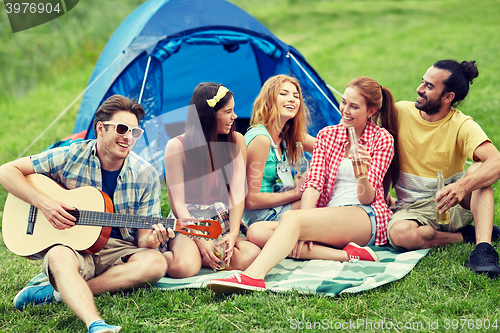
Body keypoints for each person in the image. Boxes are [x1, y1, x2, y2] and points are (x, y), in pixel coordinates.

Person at [206, 76, 398, 293]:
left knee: (291, 221)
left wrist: (362, 173)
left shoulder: (381, 139)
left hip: (365, 215)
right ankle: (350, 254)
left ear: (371, 111)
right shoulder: (328, 136)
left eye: (354, 106)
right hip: (330, 215)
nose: (345, 110)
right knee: (257, 231)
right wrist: (305, 221)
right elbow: (313, 184)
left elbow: (367, 198)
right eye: (343, 102)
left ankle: (253, 277)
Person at [0, 95, 173, 333]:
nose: (128, 137)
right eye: (122, 129)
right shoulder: (71, 155)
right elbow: (6, 171)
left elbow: (143, 238)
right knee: (60, 257)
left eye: (135, 132)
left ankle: (62, 292)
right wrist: (45, 204)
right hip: (73, 247)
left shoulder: (147, 174)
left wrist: (153, 239)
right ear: (100, 128)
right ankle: (96, 324)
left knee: (155, 263)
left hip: (117, 249)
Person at [385, 60, 500, 277]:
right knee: (399, 234)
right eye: (422, 82)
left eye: (429, 86)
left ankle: (483, 249)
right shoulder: (400, 112)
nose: (419, 89)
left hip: (451, 205)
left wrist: (462, 187)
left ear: (448, 97)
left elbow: (497, 161)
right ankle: (464, 236)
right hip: (412, 209)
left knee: (478, 171)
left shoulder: (462, 125)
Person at [160, 83, 260, 278]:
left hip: (220, 219)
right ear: (208, 115)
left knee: (252, 255)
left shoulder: (237, 141)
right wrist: (198, 237)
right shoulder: (176, 147)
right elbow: (177, 203)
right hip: (188, 220)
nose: (235, 116)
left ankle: (203, 256)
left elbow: (238, 192)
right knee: (184, 268)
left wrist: (232, 233)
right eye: (228, 111)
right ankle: (181, 254)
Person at [242, 74, 315, 248]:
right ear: (269, 99)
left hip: (279, 205)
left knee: (324, 192)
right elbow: (250, 201)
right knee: (321, 200)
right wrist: (296, 192)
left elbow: (327, 147)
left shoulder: (286, 134)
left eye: (296, 96)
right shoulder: (261, 138)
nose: (292, 99)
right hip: (260, 216)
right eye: (284, 93)